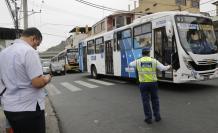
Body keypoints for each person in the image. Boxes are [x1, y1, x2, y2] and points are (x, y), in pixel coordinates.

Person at [0, 27, 52, 133]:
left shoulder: (3, 53)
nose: (36, 48)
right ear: (34, 38)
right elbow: (37, 82)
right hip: (29, 108)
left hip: (9, 107)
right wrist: (47, 78)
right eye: (37, 44)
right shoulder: (29, 52)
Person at [129, 48, 171, 124]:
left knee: (145, 101)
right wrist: (169, 66)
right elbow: (163, 68)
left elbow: (130, 64)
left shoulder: (138, 61)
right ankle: (157, 117)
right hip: (153, 83)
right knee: (155, 100)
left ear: (142, 54)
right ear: (148, 53)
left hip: (143, 84)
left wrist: (138, 60)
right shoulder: (153, 60)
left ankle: (148, 118)